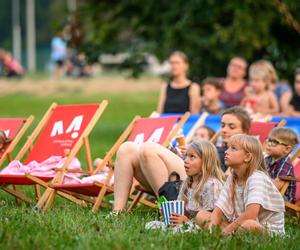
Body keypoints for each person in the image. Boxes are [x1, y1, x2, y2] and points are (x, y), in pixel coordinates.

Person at [199, 134, 285, 236]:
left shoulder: (257, 178)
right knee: (202, 215)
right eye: (228, 148)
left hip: (266, 231)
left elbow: (250, 215)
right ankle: (231, 236)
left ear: (247, 157)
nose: (226, 151)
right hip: (239, 225)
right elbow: (218, 210)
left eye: (233, 149)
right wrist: (211, 232)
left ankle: (229, 236)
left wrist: (224, 232)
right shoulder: (232, 178)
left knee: (249, 225)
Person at [145, 140, 224, 230]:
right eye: (186, 156)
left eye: (192, 157)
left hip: (204, 226)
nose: (185, 160)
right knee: (151, 225)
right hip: (188, 223)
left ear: (206, 161)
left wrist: (187, 222)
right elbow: (183, 212)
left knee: (180, 230)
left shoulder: (212, 185)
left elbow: (211, 219)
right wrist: (170, 214)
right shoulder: (187, 183)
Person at [265, 128, 298, 203]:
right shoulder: (268, 159)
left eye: (274, 142)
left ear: (287, 149)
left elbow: (277, 186)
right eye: (268, 139)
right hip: (269, 192)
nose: (268, 144)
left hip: (282, 197)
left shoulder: (285, 164)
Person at [218, 106, 251, 172]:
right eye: (222, 126)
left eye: (232, 127)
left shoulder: (252, 155)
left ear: (245, 131)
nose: (224, 130)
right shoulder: (216, 152)